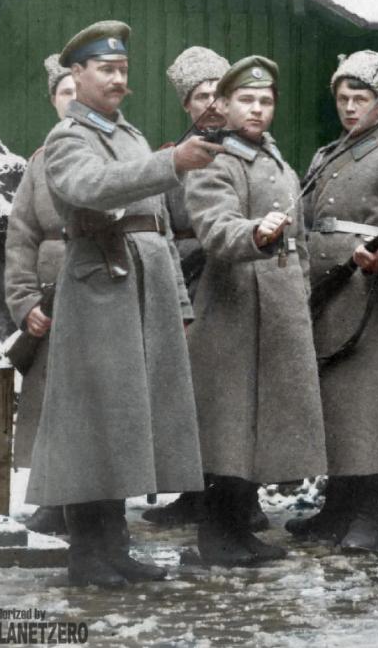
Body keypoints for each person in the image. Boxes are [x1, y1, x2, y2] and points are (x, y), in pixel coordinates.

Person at [24, 20, 219, 587]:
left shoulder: (128, 133)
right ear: (77, 74)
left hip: (144, 285)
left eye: (122, 70)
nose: (116, 79)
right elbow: (90, 187)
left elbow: (157, 220)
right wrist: (172, 162)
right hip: (98, 285)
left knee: (127, 423)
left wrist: (178, 299)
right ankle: (88, 553)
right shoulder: (68, 137)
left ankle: (115, 548)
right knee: (95, 422)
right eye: (105, 69)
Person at [285, 50, 378, 550]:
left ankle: (365, 515)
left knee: (369, 409)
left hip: (372, 301)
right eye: (343, 98)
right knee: (335, 409)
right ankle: (335, 510)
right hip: (325, 296)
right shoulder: (325, 156)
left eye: (361, 99)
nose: (350, 108)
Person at [185, 55, 327, 566]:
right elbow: (215, 228)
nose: (258, 109)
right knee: (228, 427)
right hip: (234, 311)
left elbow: (302, 241)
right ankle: (217, 536)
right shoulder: (214, 161)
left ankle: (241, 530)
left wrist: (302, 291)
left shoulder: (277, 161)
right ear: (221, 106)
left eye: (266, 101)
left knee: (262, 427)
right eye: (246, 100)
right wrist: (255, 233)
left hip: (280, 307)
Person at [141, 45, 231, 529]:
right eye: (201, 97)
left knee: (229, 392)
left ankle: (238, 498)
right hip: (185, 283)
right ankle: (192, 491)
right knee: (188, 390)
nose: (213, 105)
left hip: (232, 280)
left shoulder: (250, 151)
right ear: (187, 106)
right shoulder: (168, 160)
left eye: (220, 93)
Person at [4, 53, 75, 536]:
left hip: (99, 293)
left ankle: (95, 507)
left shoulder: (117, 155)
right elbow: (20, 236)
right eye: (63, 93)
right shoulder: (40, 164)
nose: (73, 101)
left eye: (78, 90)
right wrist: (25, 301)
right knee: (50, 400)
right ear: (53, 102)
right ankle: (53, 499)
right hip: (51, 302)